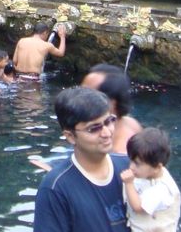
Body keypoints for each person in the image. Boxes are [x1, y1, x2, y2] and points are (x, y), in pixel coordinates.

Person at [33, 87, 129, 232]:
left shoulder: (132, 165)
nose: (106, 132)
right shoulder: (55, 188)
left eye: (109, 121)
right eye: (94, 128)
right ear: (70, 136)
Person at [120, 128, 181, 232]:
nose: (131, 167)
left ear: (157, 167)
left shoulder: (161, 189)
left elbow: (138, 208)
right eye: (131, 161)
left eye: (137, 164)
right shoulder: (150, 172)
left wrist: (129, 184)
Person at [81, 63, 142, 154]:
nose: (78, 97)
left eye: (87, 94)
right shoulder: (129, 122)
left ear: (112, 103)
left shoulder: (119, 153)